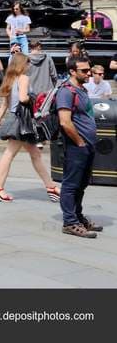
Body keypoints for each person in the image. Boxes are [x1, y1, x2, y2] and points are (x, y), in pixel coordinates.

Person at [0, 53, 60, 202]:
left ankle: (51, 187)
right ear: (22, 64)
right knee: (10, 154)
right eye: (28, 63)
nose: (29, 66)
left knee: (35, 154)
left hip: (15, 118)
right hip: (22, 121)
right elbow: (23, 99)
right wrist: (35, 98)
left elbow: (5, 104)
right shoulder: (24, 78)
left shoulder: (10, 80)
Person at [57, 56, 103, 238]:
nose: (89, 73)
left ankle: (77, 216)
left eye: (89, 70)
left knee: (81, 184)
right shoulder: (66, 92)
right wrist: (80, 142)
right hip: (77, 146)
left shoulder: (81, 89)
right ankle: (69, 222)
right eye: (84, 71)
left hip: (87, 145)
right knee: (70, 184)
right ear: (72, 71)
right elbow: (65, 122)